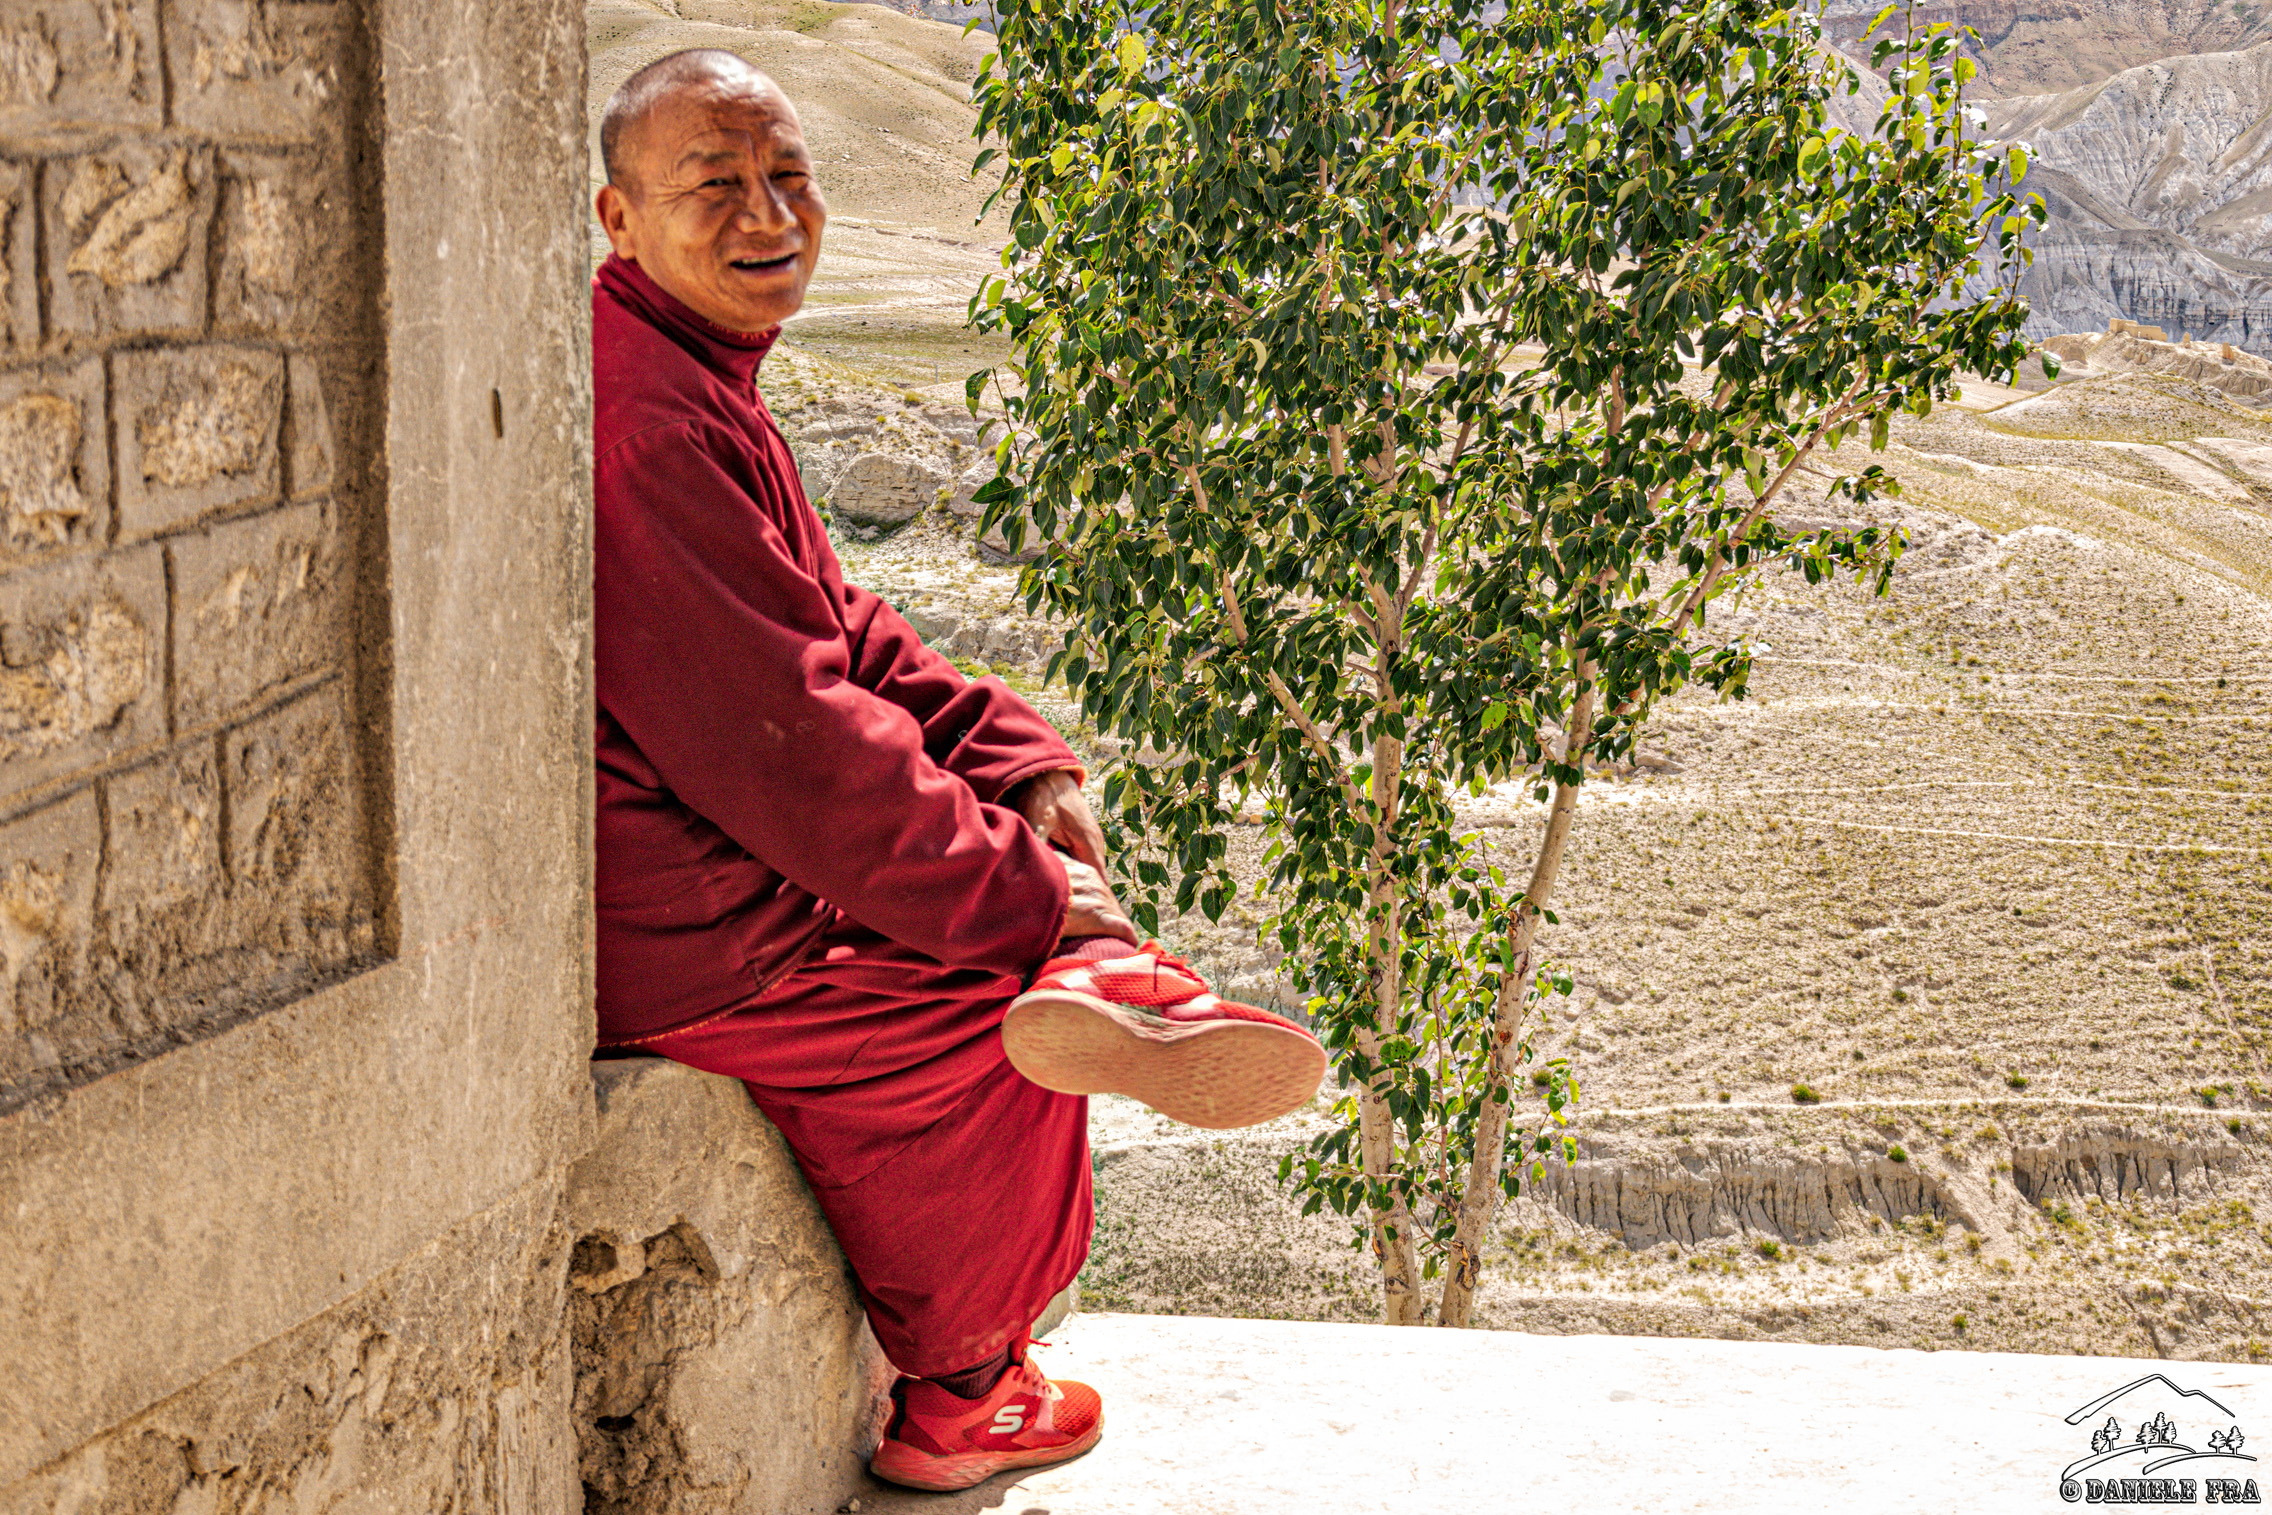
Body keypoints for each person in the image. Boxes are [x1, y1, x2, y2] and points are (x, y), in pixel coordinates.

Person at [588, 49, 1327, 1493]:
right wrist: (1032, 904)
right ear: (618, 221)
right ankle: (966, 1392)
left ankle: (1117, 982)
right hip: (683, 918)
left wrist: (1009, 753)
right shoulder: (649, 427)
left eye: (789, 175)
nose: (768, 213)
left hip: (708, 845)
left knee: (1018, 915)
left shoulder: (683, 374)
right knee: (991, 1002)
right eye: (715, 185)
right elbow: (794, 750)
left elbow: (837, 624)